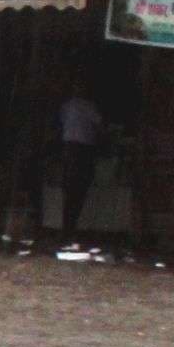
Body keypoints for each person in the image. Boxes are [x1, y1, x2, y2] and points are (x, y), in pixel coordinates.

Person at [56, 87, 108, 243]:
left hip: (69, 149)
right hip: (82, 150)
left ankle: (67, 228)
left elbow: (61, 123)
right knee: (79, 189)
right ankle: (70, 229)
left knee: (69, 188)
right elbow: (101, 126)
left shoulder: (67, 106)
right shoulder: (88, 107)